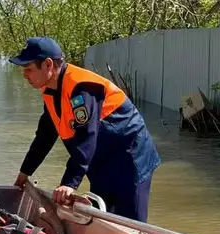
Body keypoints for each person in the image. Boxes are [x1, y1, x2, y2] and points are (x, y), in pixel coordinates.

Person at [9, 37, 161, 222]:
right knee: (106, 218)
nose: (25, 75)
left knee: (131, 224)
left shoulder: (82, 88)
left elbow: (86, 136)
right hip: (100, 160)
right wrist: (25, 172)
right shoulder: (50, 90)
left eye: (28, 69)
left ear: (48, 65)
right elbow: (45, 137)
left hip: (130, 159)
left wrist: (69, 183)